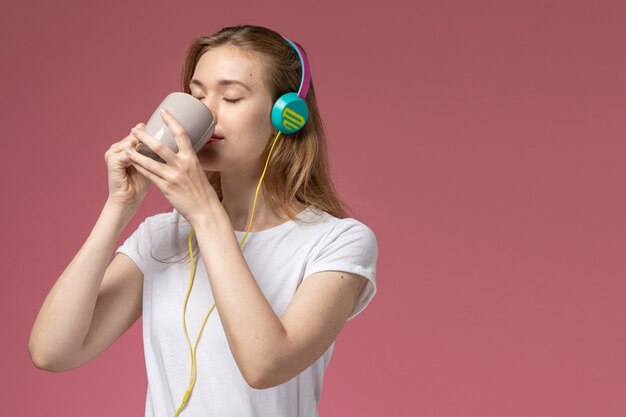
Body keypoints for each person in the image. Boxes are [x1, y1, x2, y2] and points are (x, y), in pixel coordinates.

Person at [29, 25, 378, 417]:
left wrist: (206, 213)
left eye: (230, 97)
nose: (206, 113)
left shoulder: (337, 241)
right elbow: (51, 352)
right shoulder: (163, 237)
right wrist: (118, 208)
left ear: (287, 115)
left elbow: (265, 365)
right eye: (196, 96)